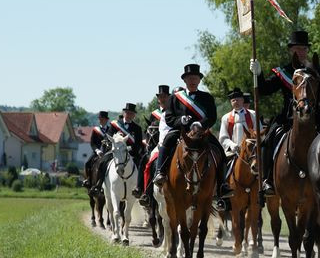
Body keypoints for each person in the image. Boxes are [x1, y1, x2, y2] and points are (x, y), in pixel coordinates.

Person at [249, 29, 320, 196]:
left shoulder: (317, 70)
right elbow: (264, 90)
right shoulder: (282, 72)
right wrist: (257, 74)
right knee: (267, 141)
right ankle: (267, 180)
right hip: (288, 118)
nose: (300, 52)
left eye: (303, 49)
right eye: (297, 49)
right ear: (291, 50)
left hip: (314, 117)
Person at [152, 63, 233, 210]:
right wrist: (180, 121)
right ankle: (160, 172)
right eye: (190, 78)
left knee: (219, 150)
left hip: (201, 133)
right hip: (181, 131)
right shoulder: (175, 98)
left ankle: (222, 185)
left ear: (199, 80)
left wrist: (201, 124)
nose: (193, 81)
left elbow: (212, 117)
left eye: (195, 78)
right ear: (185, 80)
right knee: (167, 141)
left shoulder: (207, 97)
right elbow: (169, 118)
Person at [218, 88, 260, 185]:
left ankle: (267, 183)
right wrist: (232, 145)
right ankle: (223, 187)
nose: (236, 102)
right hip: (234, 151)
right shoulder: (226, 117)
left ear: (242, 100)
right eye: (233, 100)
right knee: (221, 165)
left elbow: (259, 131)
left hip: (252, 151)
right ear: (230, 102)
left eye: (238, 99)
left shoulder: (252, 114)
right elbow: (223, 137)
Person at [111, 103, 145, 195]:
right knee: (103, 162)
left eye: (131, 113)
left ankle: (140, 189)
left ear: (134, 115)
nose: (129, 115)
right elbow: (108, 138)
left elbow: (138, 144)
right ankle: (99, 185)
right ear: (124, 113)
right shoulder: (115, 125)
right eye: (127, 113)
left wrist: (128, 149)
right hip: (116, 153)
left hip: (131, 153)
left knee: (142, 165)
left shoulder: (137, 128)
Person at [83, 110, 113, 192]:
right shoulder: (95, 130)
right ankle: (88, 180)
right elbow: (92, 143)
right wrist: (97, 150)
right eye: (100, 119)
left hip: (108, 152)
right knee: (87, 163)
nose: (101, 120)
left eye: (103, 119)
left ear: (106, 120)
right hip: (98, 152)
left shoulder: (110, 130)